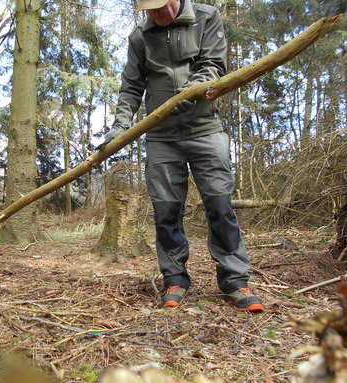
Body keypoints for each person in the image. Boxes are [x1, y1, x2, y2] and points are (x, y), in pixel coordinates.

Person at [99, 0, 264, 312]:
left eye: (160, 7)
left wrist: (187, 95)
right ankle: (175, 278)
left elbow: (213, 65)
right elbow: (131, 87)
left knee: (219, 204)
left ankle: (234, 281)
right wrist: (120, 125)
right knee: (166, 212)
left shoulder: (206, 17)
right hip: (162, 137)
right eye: (148, 10)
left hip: (205, 129)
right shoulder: (139, 36)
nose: (155, 14)